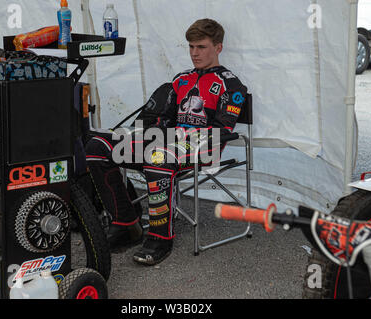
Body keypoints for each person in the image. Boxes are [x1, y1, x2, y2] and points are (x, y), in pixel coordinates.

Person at [85, 18, 248, 265]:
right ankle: (126, 223)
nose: (194, 53)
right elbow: (154, 118)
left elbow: (221, 130)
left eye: (201, 47)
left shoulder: (231, 85)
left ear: (218, 47)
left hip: (204, 149)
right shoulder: (180, 79)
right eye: (191, 47)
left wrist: (167, 140)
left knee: (157, 158)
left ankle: (160, 239)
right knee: (97, 147)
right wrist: (149, 133)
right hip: (167, 143)